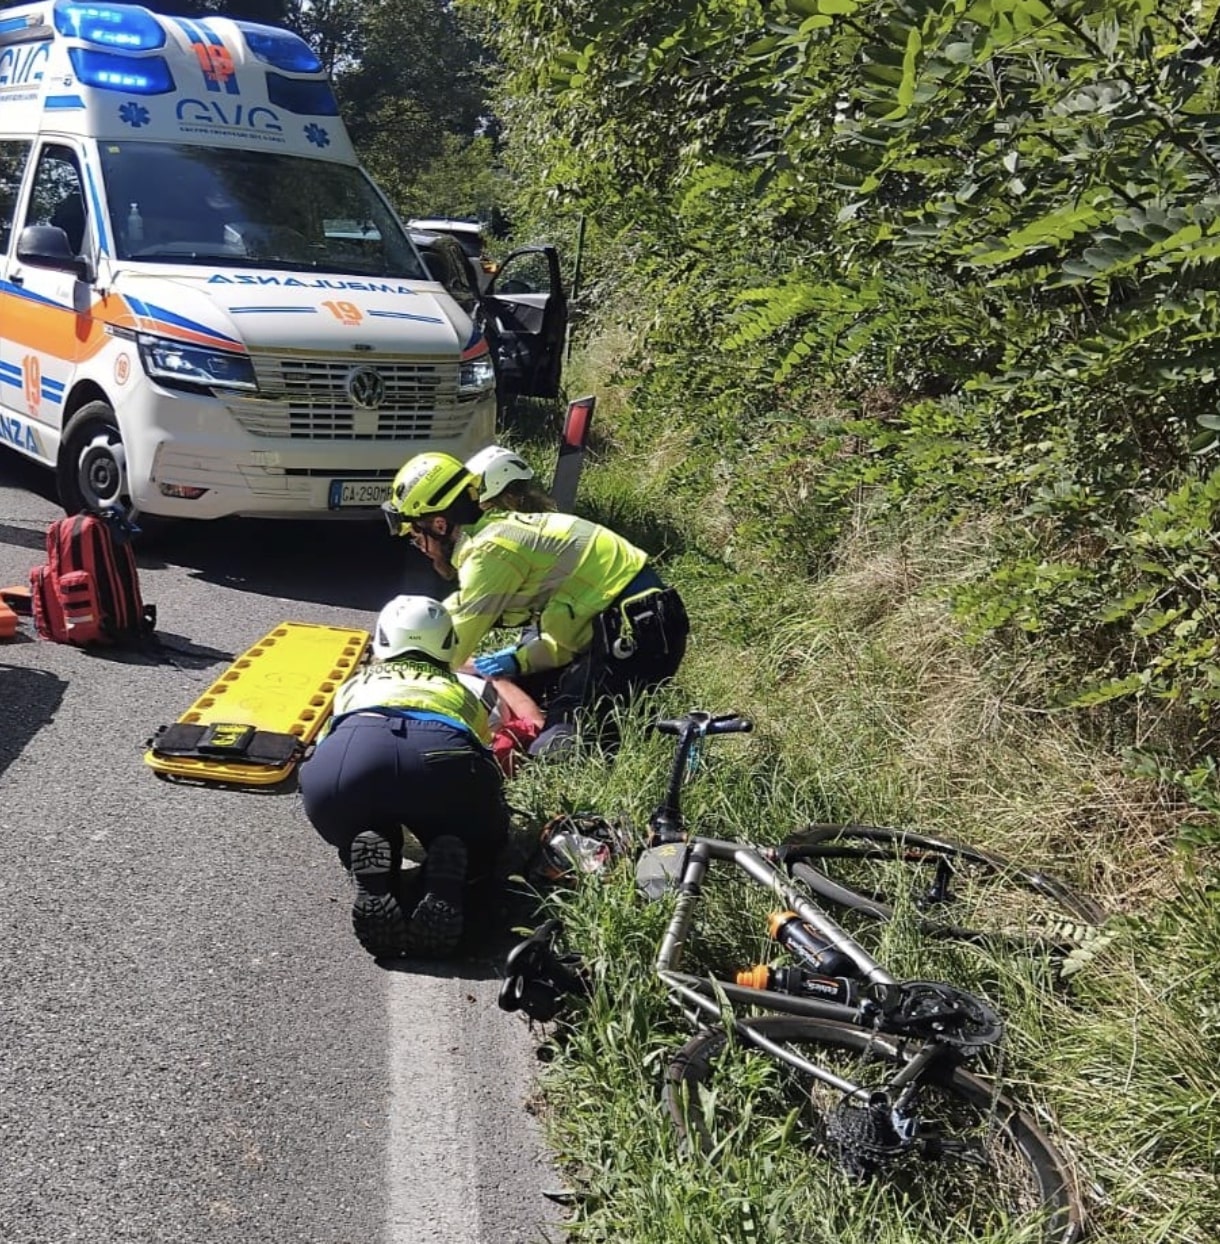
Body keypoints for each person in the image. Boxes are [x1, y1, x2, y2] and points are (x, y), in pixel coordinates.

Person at [381, 451, 690, 753]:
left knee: (555, 748)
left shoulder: (490, 553)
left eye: (416, 536)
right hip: (631, 624)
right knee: (521, 689)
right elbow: (566, 628)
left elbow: (453, 640)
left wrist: (393, 673)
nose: (420, 548)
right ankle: (629, 725)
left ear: (438, 524)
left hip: (637, 635)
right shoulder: (497, 533)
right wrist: (518, 660)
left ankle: (666, 739)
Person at [298, 594, 510, 959]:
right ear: (448, 642)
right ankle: (448, 866)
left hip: (347, 761)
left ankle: (373, 857)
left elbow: (326, 738)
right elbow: (491, 745)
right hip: (441, 758)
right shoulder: (474, 688)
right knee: (477, 837)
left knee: (364, 817)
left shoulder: (352, 686)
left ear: (381, 639)